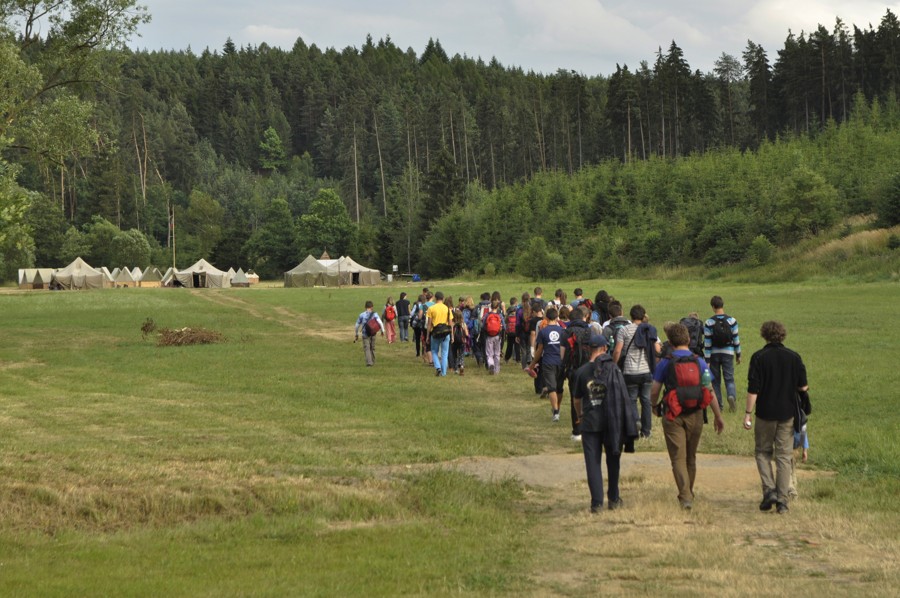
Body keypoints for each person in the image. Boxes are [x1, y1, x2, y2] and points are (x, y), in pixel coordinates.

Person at [650, 323, 725, 510]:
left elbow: (654, 390)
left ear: (670, 342)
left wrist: (653, 406)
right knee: (691, 457)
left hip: (673, 414)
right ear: (689, 340)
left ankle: (685, 496)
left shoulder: (666, 362)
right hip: (696, 413)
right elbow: (710, 390)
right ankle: (688, 492)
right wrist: (718, 416)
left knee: (678, 457)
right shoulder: (699, 362)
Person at [743, 320, 809, 515]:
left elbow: (753, 389)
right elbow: (803, 387)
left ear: (764, 335)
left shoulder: (758, 357)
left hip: (765, 413)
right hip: (787, 413)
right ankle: (782, 500)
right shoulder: (794, 357)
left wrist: (747, 413)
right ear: (782, 335)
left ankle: (769, 490)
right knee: (784, 456)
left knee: (762, 452)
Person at [572, 333, 639, 513]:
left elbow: (577, 399)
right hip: (612, 421)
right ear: (604, 348)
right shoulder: (614, 369)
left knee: (593, 462)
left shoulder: (581, 371)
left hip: (591, 421)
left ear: (589, 349)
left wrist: (580, 415)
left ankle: (597, 503)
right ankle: (614, 498)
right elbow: (623, 395)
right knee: (613, 459)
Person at [612, 304, 660, 439]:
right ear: (644, 316)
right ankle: (646, 431)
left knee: (632, 400)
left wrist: (614, 364)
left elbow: (617, 350)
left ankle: (635, 422)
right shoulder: (649, 330)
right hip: (646, 371)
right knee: (646, 400)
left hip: (630, 371)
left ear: (631, 316)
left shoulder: (624, 330)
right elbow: (657, 350)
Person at [527, 307, 566, 422]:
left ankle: (555, 412)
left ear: (546, 318)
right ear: (557, 317)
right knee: (559, 389)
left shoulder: (543, 331)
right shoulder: (563, 331)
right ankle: (557, 408)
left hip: (548, 361)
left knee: (551, 388)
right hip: (561, 362)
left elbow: (539, 350)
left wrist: (533, 363)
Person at [704, 295, 742, 412]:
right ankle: (731, 396)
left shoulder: (709, 322)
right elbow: (736, 339)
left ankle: (719, 406)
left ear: (713, 307)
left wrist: (707, 361)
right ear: (722, 305)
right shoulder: (732, 321)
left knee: (715, 381)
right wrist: (738, 354)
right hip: (728, 353)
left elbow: (707, 344)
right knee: (729, 379)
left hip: (714, 354)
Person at [563, 306, 593, 441]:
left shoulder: (566, 332)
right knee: (589, 398)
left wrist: (563, 369)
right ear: (583, 317)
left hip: (573, 370)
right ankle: (590, 427)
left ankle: (577, 431)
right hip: (588, 369)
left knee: (574, 399)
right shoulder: (589, 330)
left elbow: (562, 354)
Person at [426, 291, 454, 377]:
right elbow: (451, 324)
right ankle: (444, 372)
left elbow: (429, 324)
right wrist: (452, 335)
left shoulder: (431, 308)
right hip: (445, 333)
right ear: (443, 298)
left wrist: (427, 336)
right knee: (444, 353)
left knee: (434, 351)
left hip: (435, 332)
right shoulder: (447, 309)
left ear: (435, 298)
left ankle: (438, 367)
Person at [354, 301, 385, 366]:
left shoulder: (362, 315)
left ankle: (369, 362)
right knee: (372, 347)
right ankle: (373, 361)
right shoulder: (375, 314)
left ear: (365, 307)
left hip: (365, 334)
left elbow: (357, 325)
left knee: (367, 348)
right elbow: (380, 322)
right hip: (373, 333)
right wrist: (382, 330)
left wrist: (356, 334)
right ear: (372, 307)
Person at [484, 300, 504, 375]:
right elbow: (504, 326)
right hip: (497, 336)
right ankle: (497, 370)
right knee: (497, 353)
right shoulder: (499, 315)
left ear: (491, 306)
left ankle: (491, 364)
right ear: (497, 307)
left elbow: (483, 325)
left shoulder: (487, 315)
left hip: (489, 336)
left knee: (489, 353)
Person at [451, 309, 469, 375]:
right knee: (461, 355)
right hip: (462, 341)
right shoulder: (463, 324)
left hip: (454, 342)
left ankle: (456, 369)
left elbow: (451, 333)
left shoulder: (452, 324)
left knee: (454, 355)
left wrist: (452, 338)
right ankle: (461, 365)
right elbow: (466, 334)